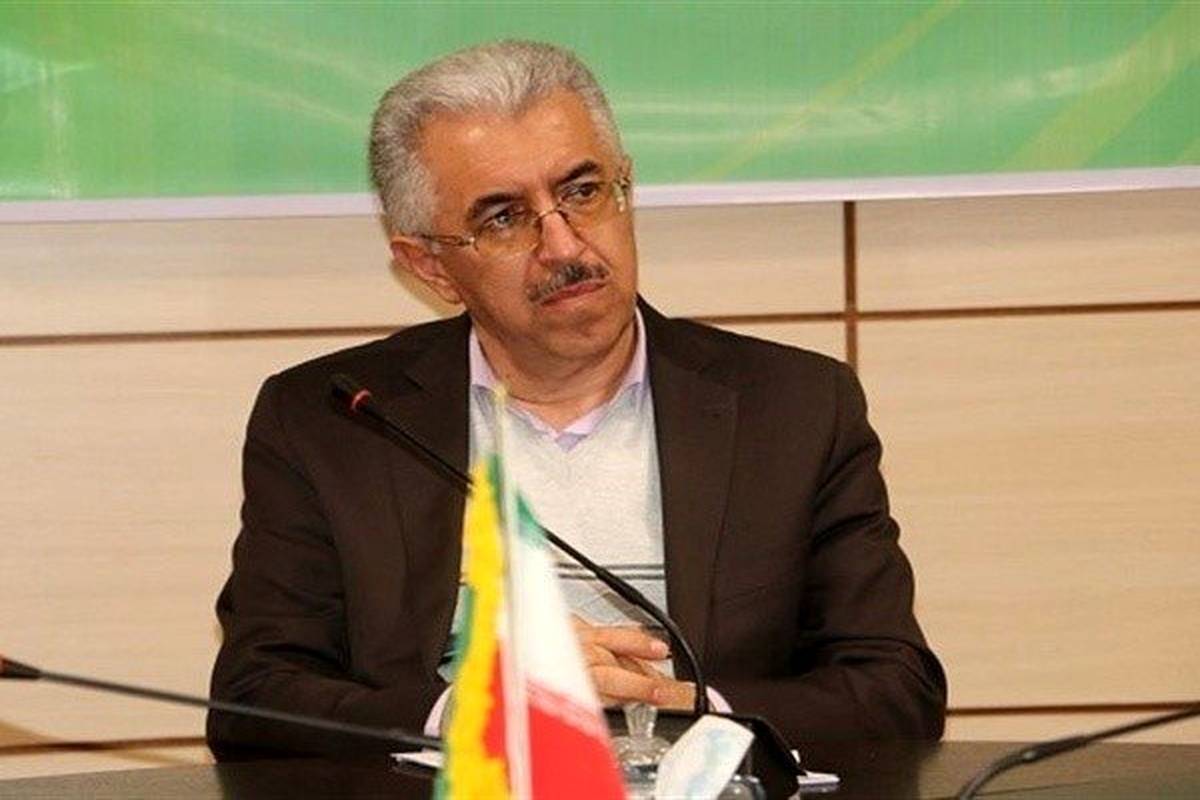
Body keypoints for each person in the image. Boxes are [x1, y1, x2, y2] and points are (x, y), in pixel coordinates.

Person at [207, 40, 946, 759]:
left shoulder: (793, 408)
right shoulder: (334, 420)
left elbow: (895, 690)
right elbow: (254, 698)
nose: (563, 246)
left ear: (626, 191)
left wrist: (679, 708)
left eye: (583, 192)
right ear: (430, 266)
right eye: (503, 217)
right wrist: (465, 712)